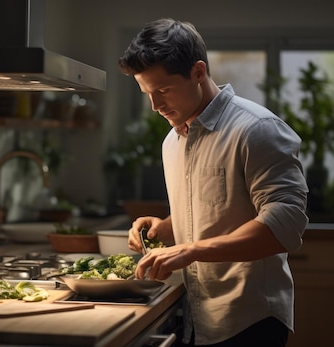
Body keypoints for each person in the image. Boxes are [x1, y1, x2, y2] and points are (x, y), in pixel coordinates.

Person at [119, 18, 309, 347]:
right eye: (147, 93)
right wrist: (165, 228)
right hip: (195, 316)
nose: (155, 105)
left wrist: (191, 250)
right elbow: (214, 213)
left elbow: (286, 223)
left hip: (249, 319)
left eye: (162, 90)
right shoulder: (172, 142)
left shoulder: (256, 128)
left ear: (198, 72)